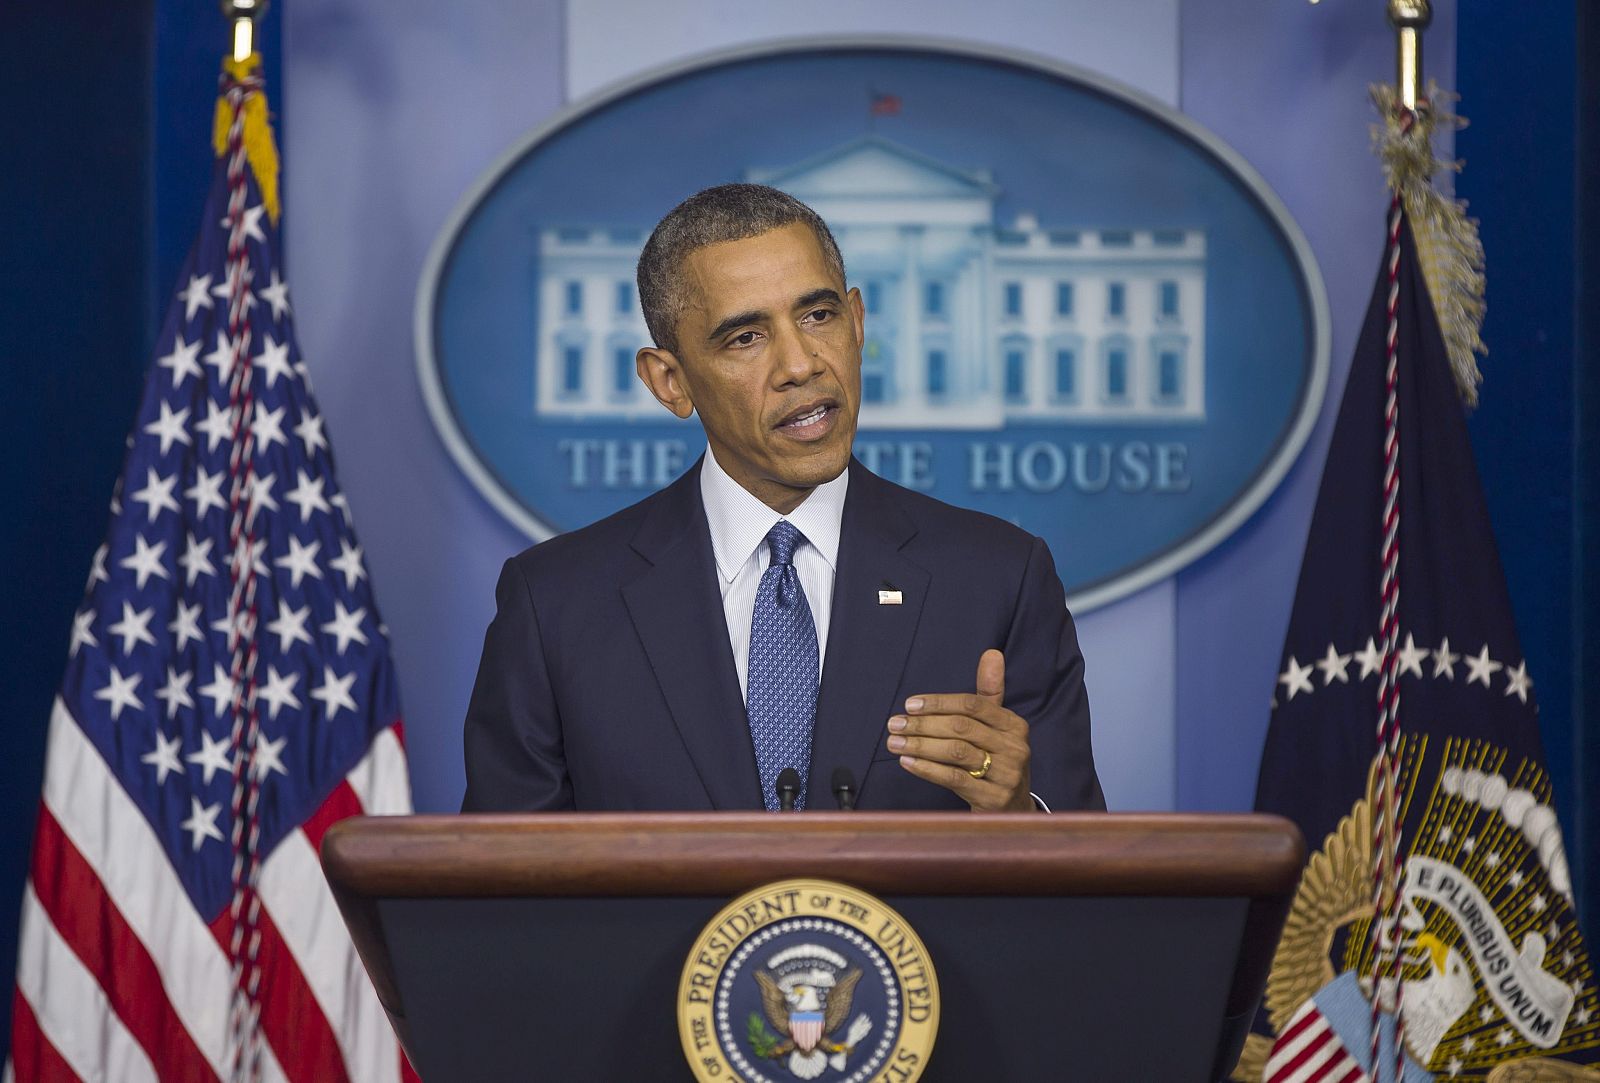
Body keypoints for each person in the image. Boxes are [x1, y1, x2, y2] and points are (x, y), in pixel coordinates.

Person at [462, 184, 1104, 813]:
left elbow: (1093, 891)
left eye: (817, 316)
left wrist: (1020, 813)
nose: (801, 364)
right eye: (746, 337)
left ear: (857, 324)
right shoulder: (555, 606)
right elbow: (499, 901)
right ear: (670, 381)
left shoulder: (999, 579)